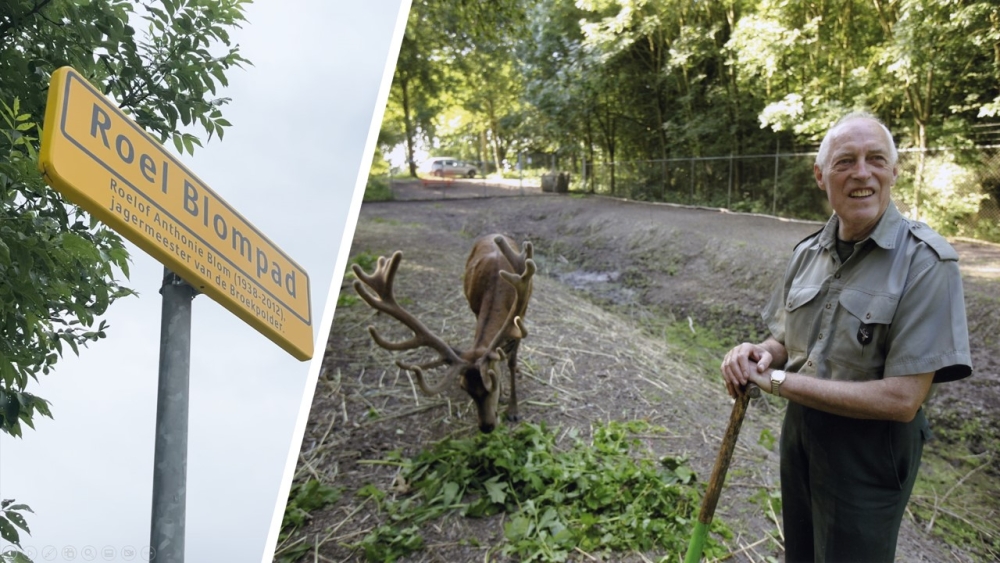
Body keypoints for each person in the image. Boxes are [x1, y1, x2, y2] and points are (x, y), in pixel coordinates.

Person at [720, 112, 972, 563]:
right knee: (801, 553)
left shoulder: (928, 263)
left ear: (894, 171)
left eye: (876, 159)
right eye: (845, 161)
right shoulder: (808, 252)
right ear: (821, 175)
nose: (862, 173)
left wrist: (775, 381)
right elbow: (787, 341)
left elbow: (902, 400)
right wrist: (757, 353)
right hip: (801, 433)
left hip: (870, 450)